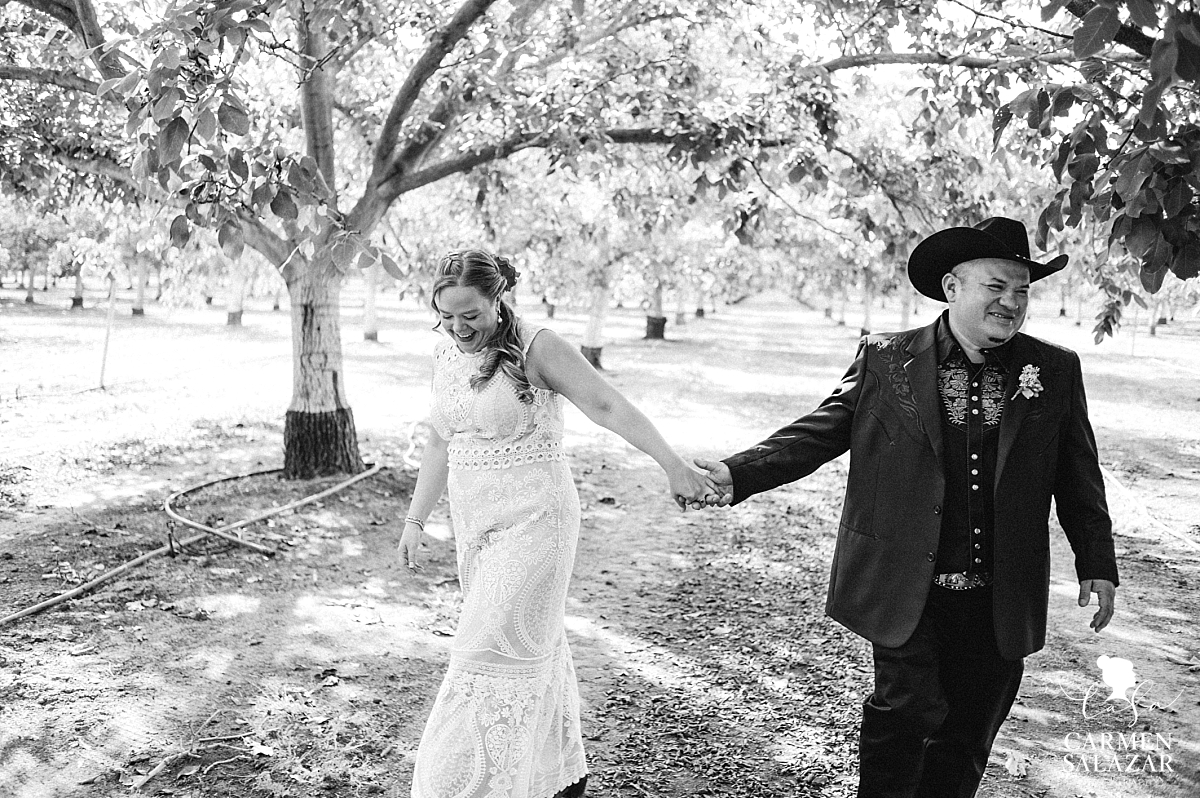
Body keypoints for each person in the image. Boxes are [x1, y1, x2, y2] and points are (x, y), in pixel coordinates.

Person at [694, 217, 1119, 798]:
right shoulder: (885, 358)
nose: (1011, 302)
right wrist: (737, 471)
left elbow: (1078, 475)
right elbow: (819, 433)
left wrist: (1097, 560)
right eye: (996, 286)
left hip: (1001, 591)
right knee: (905, 714)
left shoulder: (1055, 369)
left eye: (1022, 291)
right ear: (952, 287)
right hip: (905, 583)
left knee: (971, 730)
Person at [399, 249, 712, 798]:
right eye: (446, 316)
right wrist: (415, 518)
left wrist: (673, 464)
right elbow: (439, 439)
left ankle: (457, 785)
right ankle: (556, 778)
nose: (457, 329)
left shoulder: (539, 348)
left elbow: (607, 407)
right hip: (477, 527)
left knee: (482, 654)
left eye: (469, 315)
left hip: (536, 523)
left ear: (498, 300)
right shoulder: (445, 355)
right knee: (529, 650)